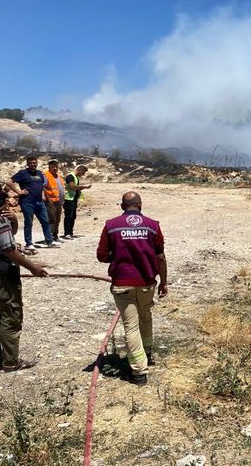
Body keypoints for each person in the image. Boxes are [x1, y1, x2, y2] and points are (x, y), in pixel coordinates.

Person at [96, 191, 167, 386]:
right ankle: (148, 353)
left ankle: (139, 372)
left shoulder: (111, 226)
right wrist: (164, 282)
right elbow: (160, 257)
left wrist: (118, 256)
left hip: (122, 284)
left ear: (121, 206)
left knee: (131, 326)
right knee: (145, 317)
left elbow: (101, 255)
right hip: (146, 283)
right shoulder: (153, 226)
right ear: (140, 205)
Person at [0, 190, 49, 371]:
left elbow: (7, 236)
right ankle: (10, 361)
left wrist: (14, 220)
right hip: (3, 276)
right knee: (10, 316)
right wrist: (33, 268)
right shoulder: (0, 223)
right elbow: (9, 249)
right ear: (1, 206)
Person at [6, 156, 59, 250]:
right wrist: (18, 192)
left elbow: (41, 185)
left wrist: (43, 195)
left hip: (39, 202)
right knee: (29, 223)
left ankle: (49, 241)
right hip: (27, 202)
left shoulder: (39, 173)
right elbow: (9, 182)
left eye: (34, 163)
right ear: (27, 164)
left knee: (45, 221)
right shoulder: (22, 173)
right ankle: (29, 243)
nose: (33, 164)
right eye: (31, 163)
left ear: (37, 163)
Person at [62, 165, 90, 239]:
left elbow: (75, 188)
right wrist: (84, 186)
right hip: (69, 199)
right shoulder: (70, 176)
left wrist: (81, 188)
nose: (83, 174)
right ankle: (67, 233)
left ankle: (70, 232)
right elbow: (72, 186)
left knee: (73, 216)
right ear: (79, 170)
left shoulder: (76, 177)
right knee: (68, 216)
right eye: (83, 172)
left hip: (73, 199)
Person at [43, 160, 65, 243]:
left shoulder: (58, 176)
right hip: (50, 201)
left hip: (58, 201)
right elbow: (44, 187)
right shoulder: (46, 175)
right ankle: (49, 237)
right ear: (49, 167)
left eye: (56, 166)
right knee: (51, 219)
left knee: (57, 219)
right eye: (53, 166)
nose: (55, 168)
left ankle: (55, 236)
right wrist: (48, 199)